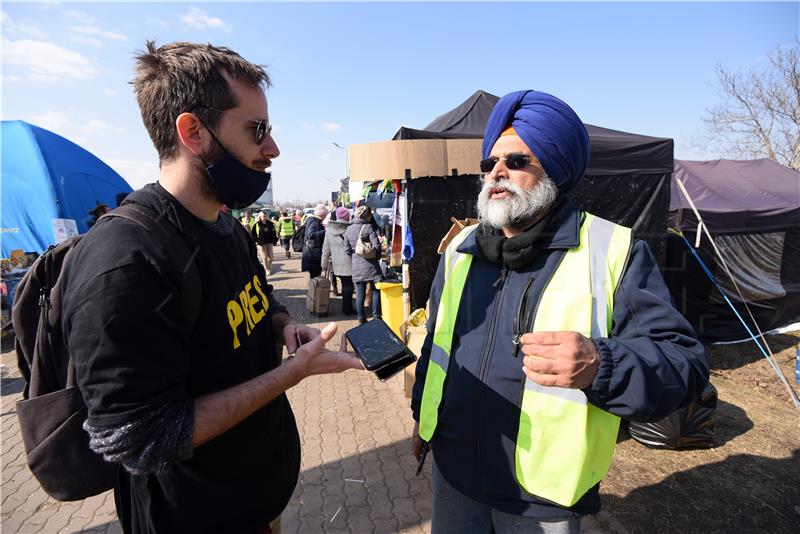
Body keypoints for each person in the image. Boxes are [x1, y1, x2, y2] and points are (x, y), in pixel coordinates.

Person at [60, 41, 363, 534]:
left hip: (258, 503)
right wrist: (291, 376)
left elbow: (259, 306)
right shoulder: (125, 260)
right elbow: (136, 438)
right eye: (256, 129)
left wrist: (284, 328)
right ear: (193, 131)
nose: (273, 148)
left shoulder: (228, 228)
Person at [410, 90, 708, 534]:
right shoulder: (459, 249)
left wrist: (600, 365)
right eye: (489, 163)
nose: (497, 173)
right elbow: (437, 344)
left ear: (555, 171)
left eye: (516, 161)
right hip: (453, 474)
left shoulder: (613, 253)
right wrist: (422, 420)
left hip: (538, 500)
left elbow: (684, 363)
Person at [344, 205, 382, 324]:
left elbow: (347, 250)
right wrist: (376, 256)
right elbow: (377, 246)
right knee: (376, 290)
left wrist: (355, 257)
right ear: (367, 216)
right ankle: (376, 316)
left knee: (359, 295)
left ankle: (361, 318)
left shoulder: (348, 229)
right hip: (371, 266)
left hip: (356, 266)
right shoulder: (368, 227)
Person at [321, 207, 354, 315]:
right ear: (347, 216)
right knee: (348, 286)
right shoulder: (351, 229)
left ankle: (346, 307)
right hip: (350, 262)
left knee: (345, 285)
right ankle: (347, 309)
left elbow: (325, 250)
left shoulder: (329, 231)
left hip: (337, 264)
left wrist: (323, 266)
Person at [301, 204, 327, 279]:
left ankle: (314, 290)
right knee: (315, 277)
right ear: (321, 214)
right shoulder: (315, 222)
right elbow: (311, 234)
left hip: (311, 254)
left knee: (314, 278)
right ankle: (314, 290)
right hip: (313, 255)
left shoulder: (312, 221)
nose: (325, 217)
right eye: (325, 215)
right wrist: (325, 232)